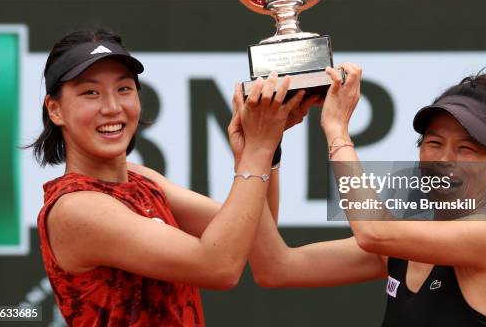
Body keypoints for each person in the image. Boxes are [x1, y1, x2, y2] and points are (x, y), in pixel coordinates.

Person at [30, 29, 319, 326]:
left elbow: (257, 234)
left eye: (124, 89)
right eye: (90, 92)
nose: (113, 107)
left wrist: (266, 150)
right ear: (55, 110)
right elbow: (220, 267)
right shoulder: (76, 209)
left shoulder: (142, 179)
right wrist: (258, 149)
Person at [249, 65, 486, 327]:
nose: (445, 159)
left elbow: (371, 231)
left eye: (466, 149)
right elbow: (274, 267)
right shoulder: (398, 245)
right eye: (434, 143)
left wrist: (337, 128)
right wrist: (263, 149)